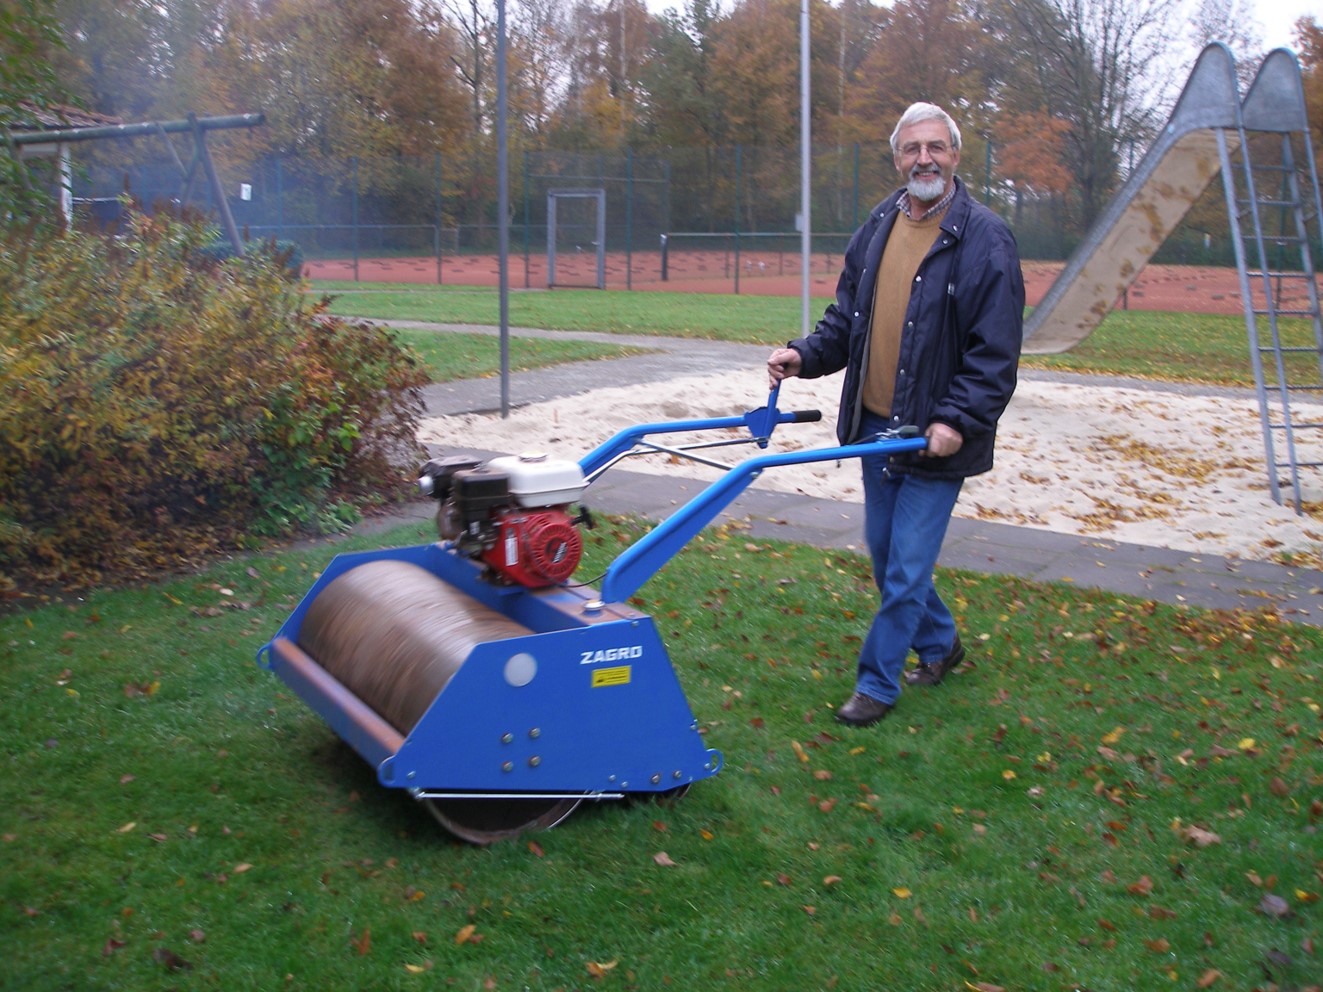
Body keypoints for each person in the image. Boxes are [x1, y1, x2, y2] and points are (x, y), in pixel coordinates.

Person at [767, 101, 1024, 727]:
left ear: (955, 155)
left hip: (933, 434)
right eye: (912, 149)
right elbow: (846, 321)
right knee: (886, 556)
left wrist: (955, 420)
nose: (924, 159)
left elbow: (995, 353)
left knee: (907, 568)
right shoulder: (880, 224)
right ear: (897, 159)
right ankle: (941, 643)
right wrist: (804, 354)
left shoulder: (984, 238)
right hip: (876, 427)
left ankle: (877, 684)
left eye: (935, 147)